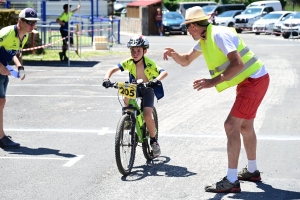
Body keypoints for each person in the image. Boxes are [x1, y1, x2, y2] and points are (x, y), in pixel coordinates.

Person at [163, 6, 269, 193]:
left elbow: (238, 63)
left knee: (231, 126)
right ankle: (252, 171)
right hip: (250, 81)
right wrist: (174, 55)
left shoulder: (218, 35)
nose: (187, 31)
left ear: (194, 26)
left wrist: (212, 82)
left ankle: (231, 180)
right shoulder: (205, 38)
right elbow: (186, 60)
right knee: (245, 126)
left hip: (254, 80)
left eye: (188, 27)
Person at [102, 35, 168, 157]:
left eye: (138, 50)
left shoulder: (149, 63)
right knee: (125, 95)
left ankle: (153, 141)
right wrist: (107, 78)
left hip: (147, 89)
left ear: (145, 51)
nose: (135, 53)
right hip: (134, 87)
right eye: (132, 50)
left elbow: (164, 72)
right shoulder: (129, 62)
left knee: (147, 114)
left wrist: (155, 80)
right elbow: (112, 69)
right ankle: (128, 119)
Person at [0, 8, 40, 149]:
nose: (32, 26)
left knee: (1, 102)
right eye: (29, 22)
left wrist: (20, 68)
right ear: (20, 21)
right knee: (1, 101)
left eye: (34, 23)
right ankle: (1, 137)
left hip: (4, 69)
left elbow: (15, 54)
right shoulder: (6, 33)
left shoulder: (25, 35)